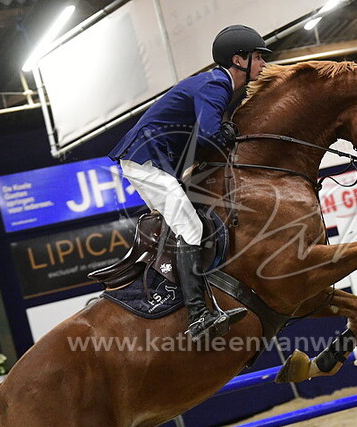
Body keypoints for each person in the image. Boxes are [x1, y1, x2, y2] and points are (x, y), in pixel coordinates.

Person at [107, 25, 270, 341]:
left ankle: (175, 293)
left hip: (153, 160)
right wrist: (229, 133)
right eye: (258, 57)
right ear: (239, 59)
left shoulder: (220, 85)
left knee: (185, 224)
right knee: (191, 228)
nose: (263, 64)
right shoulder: (217, 85)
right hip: (147, 158)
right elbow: (209, 135)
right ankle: (197, 317)